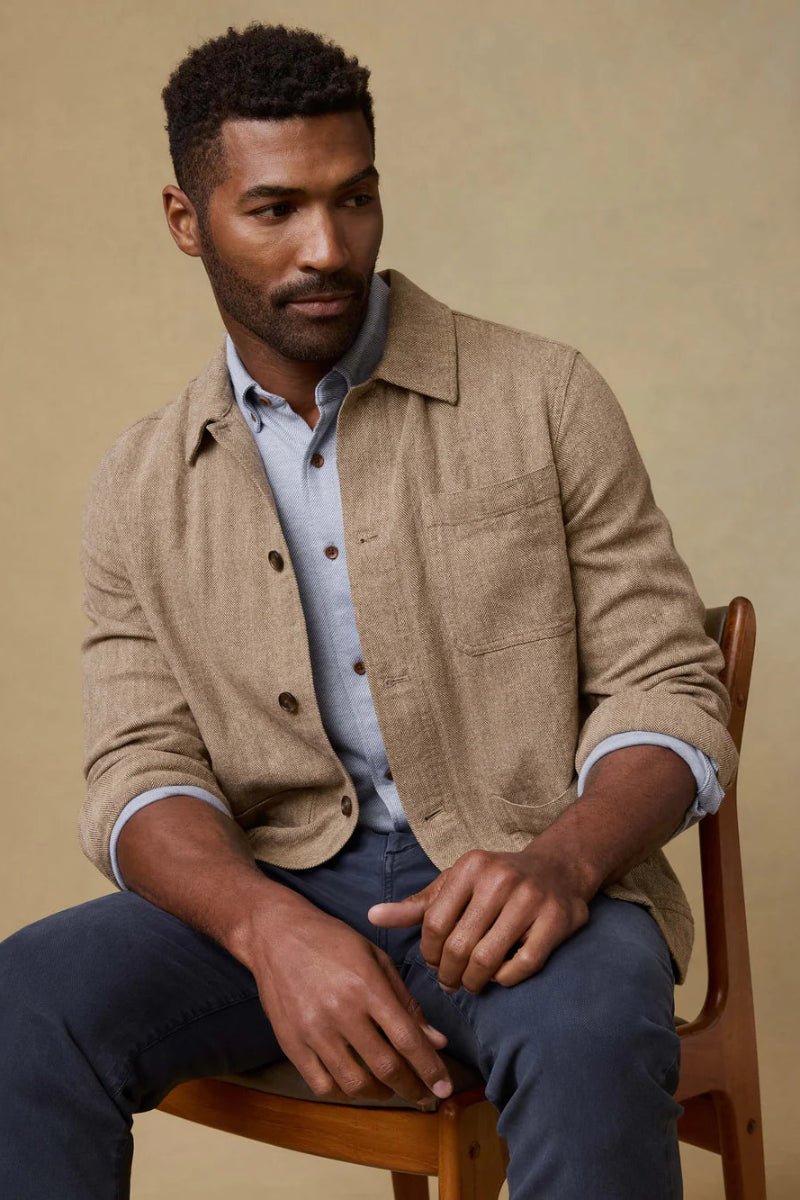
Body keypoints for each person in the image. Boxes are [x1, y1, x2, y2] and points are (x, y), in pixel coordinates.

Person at [0, 22, 738, 1200]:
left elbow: (668, 683)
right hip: (278, 886)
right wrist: (261, 927)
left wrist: (563, 858)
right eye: (275, 210)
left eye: (355, 199)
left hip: (526, 879)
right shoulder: (138, 486)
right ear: (187, 221)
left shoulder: (543, 397)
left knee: (589, 1033)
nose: (326, 248)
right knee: (23, 1004)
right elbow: (138, 769)